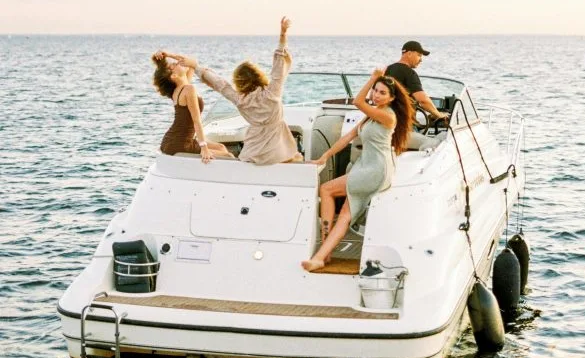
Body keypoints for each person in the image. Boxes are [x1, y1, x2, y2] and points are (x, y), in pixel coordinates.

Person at [301, 70, 413, 272]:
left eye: (382, 93)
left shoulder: (387, 115)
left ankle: (322, 255)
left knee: (327, 190)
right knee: (343, 213)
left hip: (376, 169)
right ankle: (322, 256)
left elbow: (358, 102)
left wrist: (373, 78)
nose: (376, 95)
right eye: (375, 90)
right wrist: (324, 157)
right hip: (366, 166)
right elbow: (349, 137)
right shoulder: (370, 117)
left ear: (392, 98)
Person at [164, 17, 301, 165]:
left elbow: (220, 84)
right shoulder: (273, 93)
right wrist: (283, 34)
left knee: (238, 158)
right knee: (297, 157)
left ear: (239, 82)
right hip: (279, 150)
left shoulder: (240, 100)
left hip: (254, 153)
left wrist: (196, 67)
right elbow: (278, 68)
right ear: (258, 75)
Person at [151, 52, 233, 164]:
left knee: (221, 147)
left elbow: (191, 62)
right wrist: (204, 148)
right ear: (174, 76)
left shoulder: (180, 89)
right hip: (181, 143)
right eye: (174, 65)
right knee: (228, 155)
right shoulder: (188, 89)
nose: (177, 62)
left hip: (172, 141)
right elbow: (196, 121)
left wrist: (169, 54)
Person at [385, 40, 450, 123]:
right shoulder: (409, 73)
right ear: (409, 54)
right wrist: (438, 114)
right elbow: (423, 100)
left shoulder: (387, 69)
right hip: (403, 125)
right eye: (419, 55)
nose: (421, 60)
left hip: (386, 120)